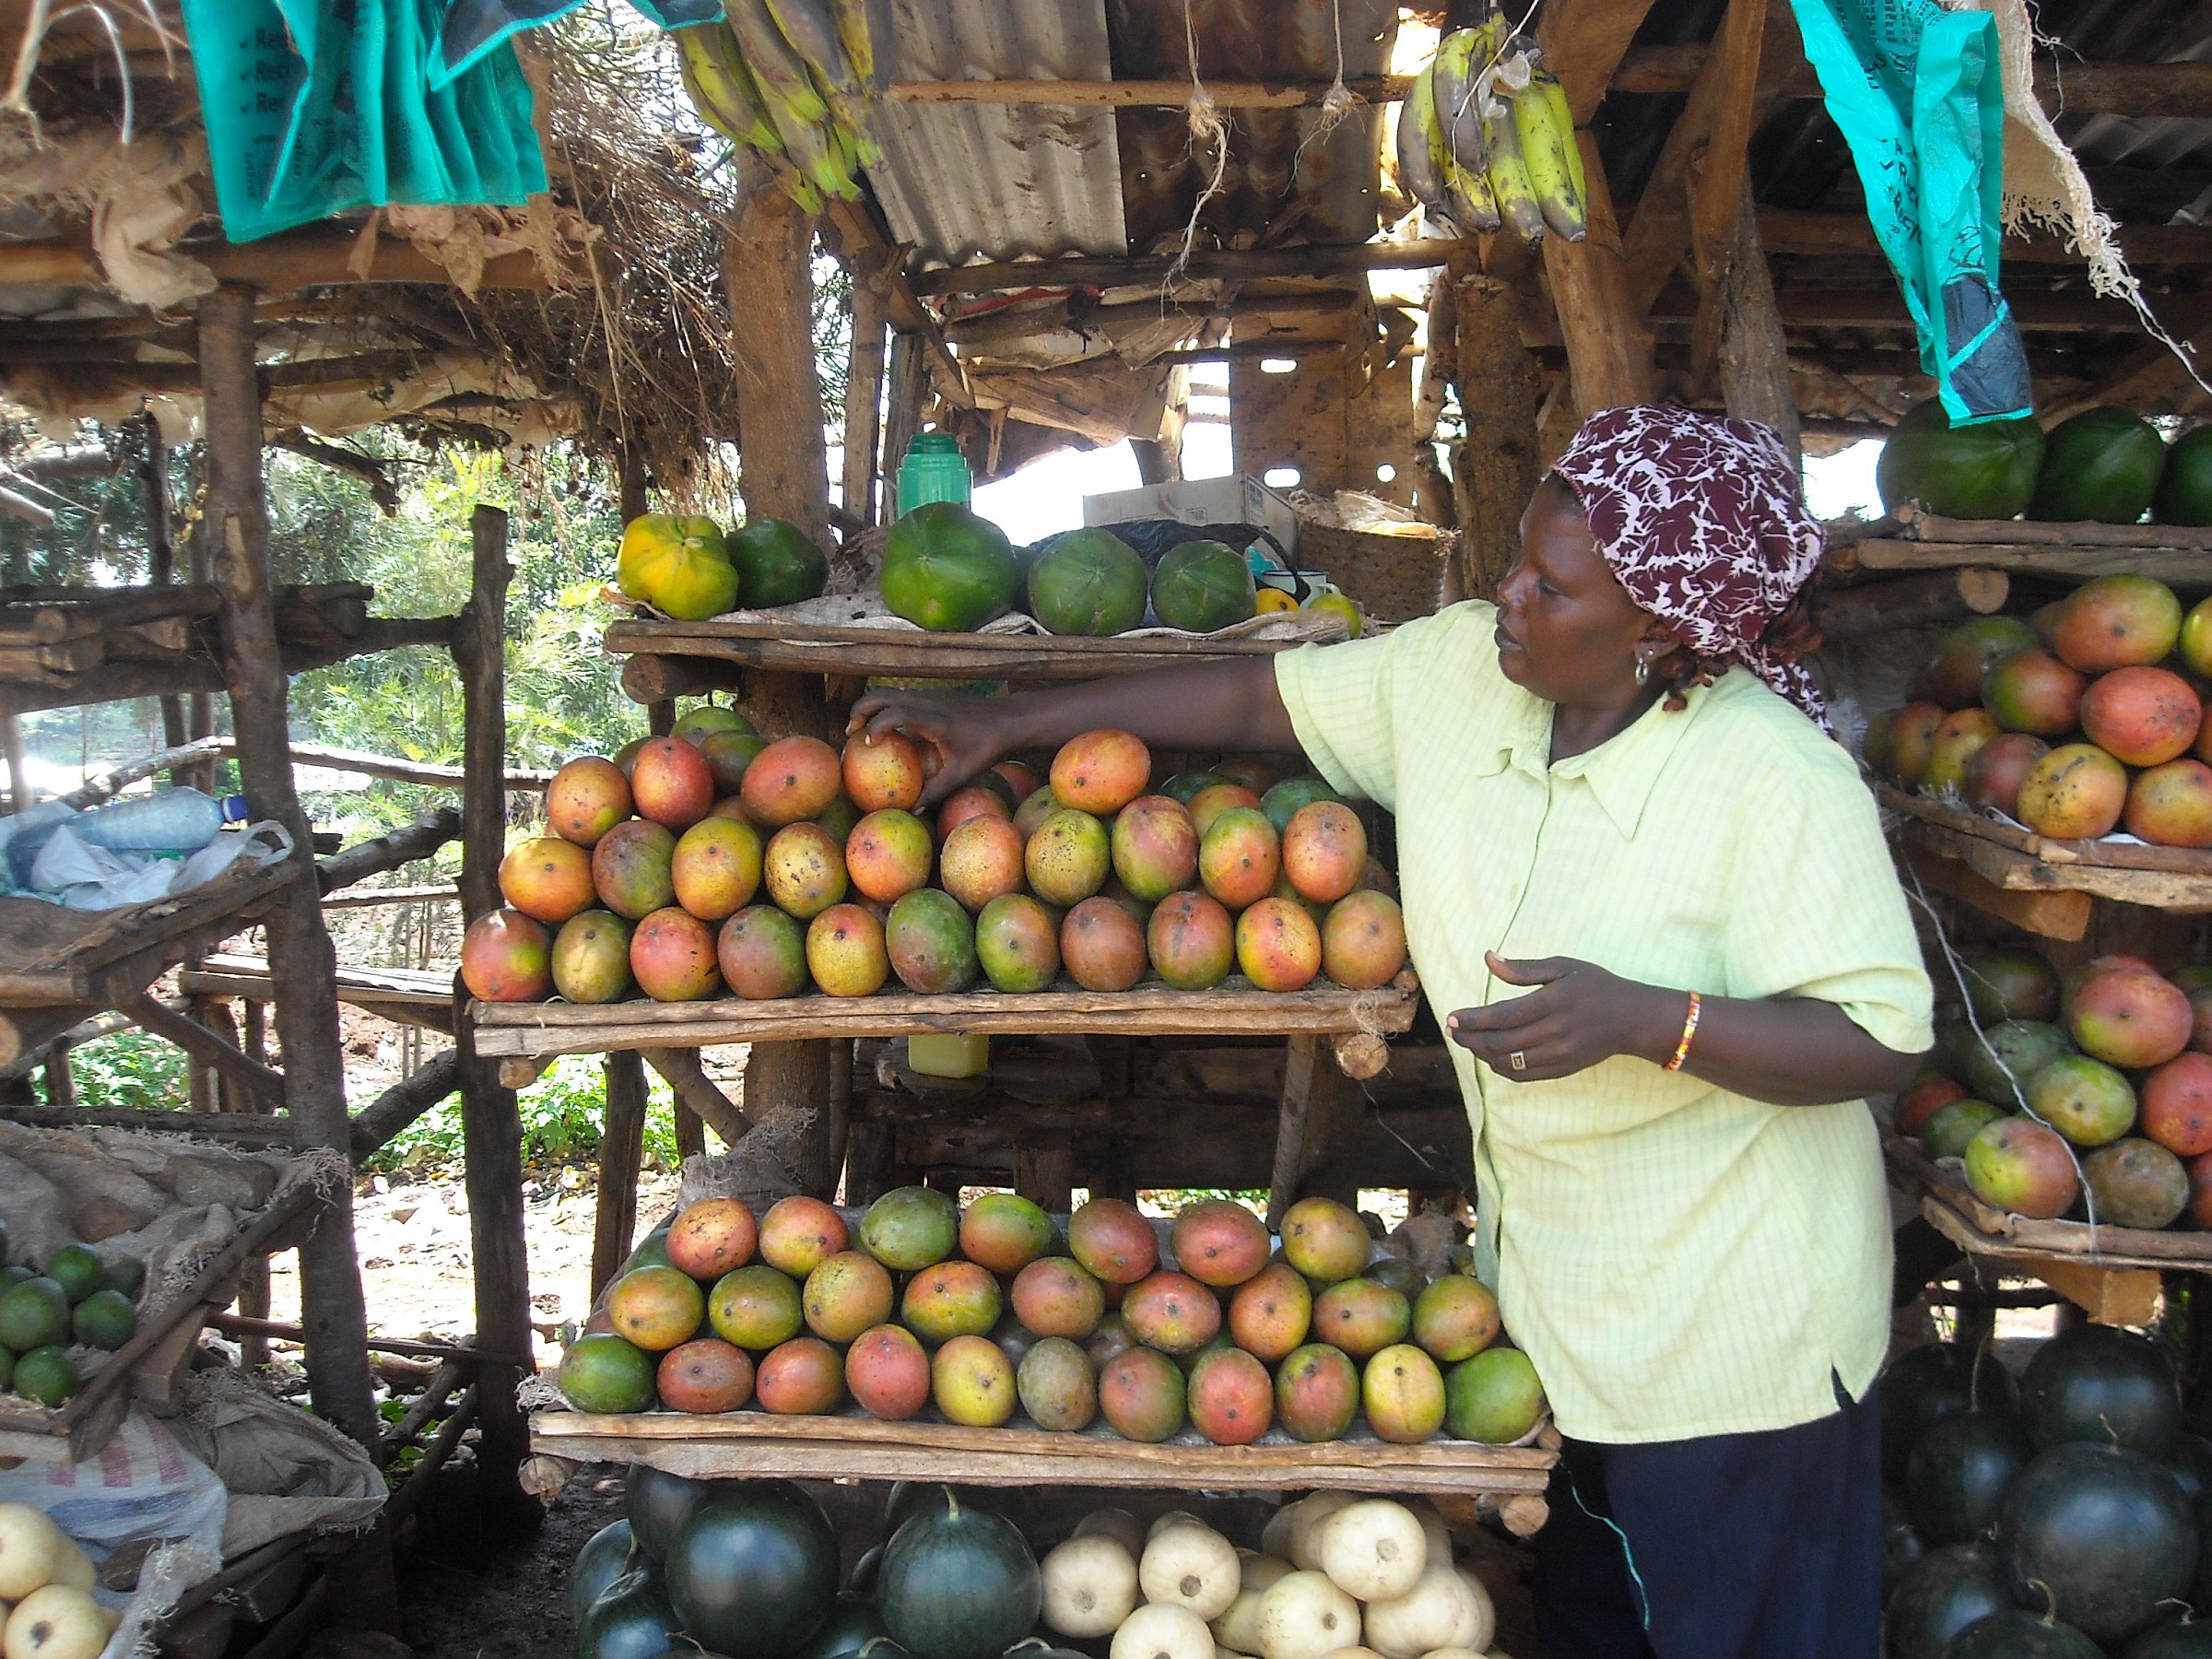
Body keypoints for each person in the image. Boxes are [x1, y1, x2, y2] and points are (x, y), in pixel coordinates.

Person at [852, 405, 1933, 1659]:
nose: (1511, 597)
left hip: (1738, 1340)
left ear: (1658, 625)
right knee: (1590, 1621)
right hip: (1556, 1320)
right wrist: (1004, 720)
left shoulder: (1773, 777)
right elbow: (1260, 700)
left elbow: (1880, 1037)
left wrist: (1651, 1021)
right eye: (1519, 562)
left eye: (1553, 586)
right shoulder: (1461, 674)